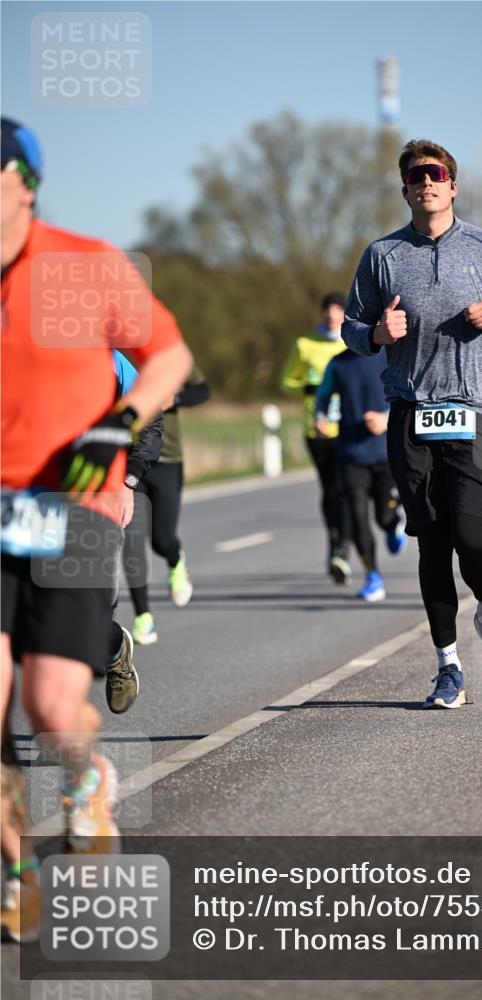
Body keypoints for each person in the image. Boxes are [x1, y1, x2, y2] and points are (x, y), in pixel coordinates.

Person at [0, 117, 192, 940]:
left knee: (50, 706)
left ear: (26, 184)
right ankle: (16, 869)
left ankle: (88, 781)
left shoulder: (80, 265)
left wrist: (122, 421)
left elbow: (169, 354)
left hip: (70, 505)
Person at [342, 138, 482, 709]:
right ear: (405, 190)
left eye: (436, 173)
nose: (427, 182)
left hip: (479, 409)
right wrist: (376, 334)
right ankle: (448, 669)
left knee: (472, 534)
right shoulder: (382, 256)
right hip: (411, 411)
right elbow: (351, 327)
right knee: (432, 543)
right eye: (416, 175)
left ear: (452, 185)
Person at [122, 361, 209, 644]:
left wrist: (176, 398)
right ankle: (142, 616)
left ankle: (175, 560)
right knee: (132, 540)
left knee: (162, 539)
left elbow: (202, 390)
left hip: (167, 459)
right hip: (127, 463)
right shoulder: (116, 356)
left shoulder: (168, 350)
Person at [315, 348, 407, 602]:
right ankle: (373, 576)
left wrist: (386, 419)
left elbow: (411, 397)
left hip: (386, 453)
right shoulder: (338, 363)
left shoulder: (392, 356)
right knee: (357, 517)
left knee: (382, 515)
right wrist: (321, 418)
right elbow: (323, 398)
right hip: (350, 455)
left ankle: (393, 523)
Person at [104, 350, 164, 711]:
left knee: (82, 620)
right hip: (22, 508)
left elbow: (151, 420)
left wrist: (127, 482)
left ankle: (112, 648)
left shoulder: (107, 358)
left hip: (96, 501)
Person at [281, 293, 352, 584]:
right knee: (331, 490)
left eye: (337, 310)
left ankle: (344, 549)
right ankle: (337, 547)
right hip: (317, 429)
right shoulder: (305, 344)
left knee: (349, 489)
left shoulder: (354, 342)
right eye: (327, 310)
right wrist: (309, 386)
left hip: (350, 428)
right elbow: (286, 381)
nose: (332, 315)